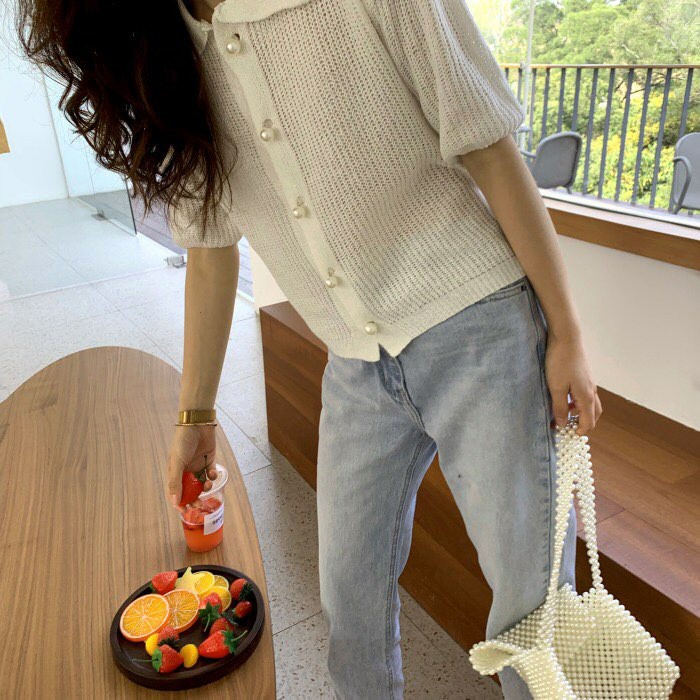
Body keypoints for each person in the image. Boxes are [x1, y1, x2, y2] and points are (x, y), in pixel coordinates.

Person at [18, 0, 602, 696]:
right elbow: (209, 249)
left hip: (483, 332)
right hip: (354, 363)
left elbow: (491, 150)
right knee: (349, 600)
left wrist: (567, 332)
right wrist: (195, 416)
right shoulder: (166, 50)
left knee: (532, 613)